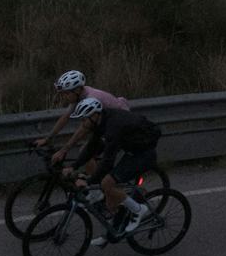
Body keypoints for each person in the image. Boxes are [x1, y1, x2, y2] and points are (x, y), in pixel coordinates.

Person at [56, 97, 162, 244]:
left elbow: (107, 161)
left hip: (143, 154)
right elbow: (90, 148)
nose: (83, 124)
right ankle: (114, 231)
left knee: (106, 184)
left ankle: (139, 209)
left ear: (94, 116)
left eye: (84, 120)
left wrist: (88, 181)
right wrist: (73, 166)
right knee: (110, 199)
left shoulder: (113, 127)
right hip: (132, 150)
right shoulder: (101, 121)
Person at [36, 70, 132, 153]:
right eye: (62, 94)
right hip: (109, 124)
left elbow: (84, 129)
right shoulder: (79, 95)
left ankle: (99, 174)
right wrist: (47, 139)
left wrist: (64, 150)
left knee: (85, 152)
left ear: (77, 90)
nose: (64, 97)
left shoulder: (92, 98)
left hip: (122, 126)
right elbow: (65, 117)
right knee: (89, 152)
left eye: (66, 93)